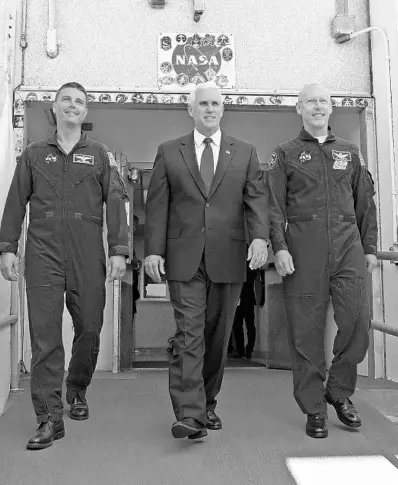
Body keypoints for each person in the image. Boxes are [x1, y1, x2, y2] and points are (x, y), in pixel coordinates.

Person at [0, 82, 129, 450]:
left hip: (88, 253)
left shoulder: (100, 155)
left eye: (80, 102)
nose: (73, 106)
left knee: (89, 327)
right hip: (43, 254)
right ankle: (49, 418)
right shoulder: (35, 154)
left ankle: (77, 389)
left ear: (86, 112)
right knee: (45, 337)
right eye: (66, 100)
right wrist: (8, 247)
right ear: (54, 109)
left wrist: (119, 249)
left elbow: (116, 202)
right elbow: (14, 202)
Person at [144, 81, 270, 440]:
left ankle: (207, 401)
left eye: (216, 103)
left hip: (228, 257)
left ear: (223, 109)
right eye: (203, 104)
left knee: (217, 337)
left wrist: (260, 237)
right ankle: (189, 413)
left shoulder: (244, 153)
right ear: (191, 109)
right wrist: (153, 249)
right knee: (189, 334)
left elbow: (256, 200)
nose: (210, 109)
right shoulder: (169, 152)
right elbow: (157, 206)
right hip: (184, 259)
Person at [266, 83, 378, 439]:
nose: (318, 106)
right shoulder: (284, 153)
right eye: (311, 101)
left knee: (359, 322)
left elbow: (366, 204)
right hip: (303, 251)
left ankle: (339, 391)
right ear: (298, 109)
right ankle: (314, 408)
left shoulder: (350, 151)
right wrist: (279, 247)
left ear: (332, 109)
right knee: (306, 334)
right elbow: (273, 206)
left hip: (349, 248)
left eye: (324, 101)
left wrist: (371, 248)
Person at [230, 265, 265, 359]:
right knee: (238, 325)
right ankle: (241, 350)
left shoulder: (249, 266)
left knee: (247, 325)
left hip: (246, 298)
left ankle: (248, 349)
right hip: (240, 298)